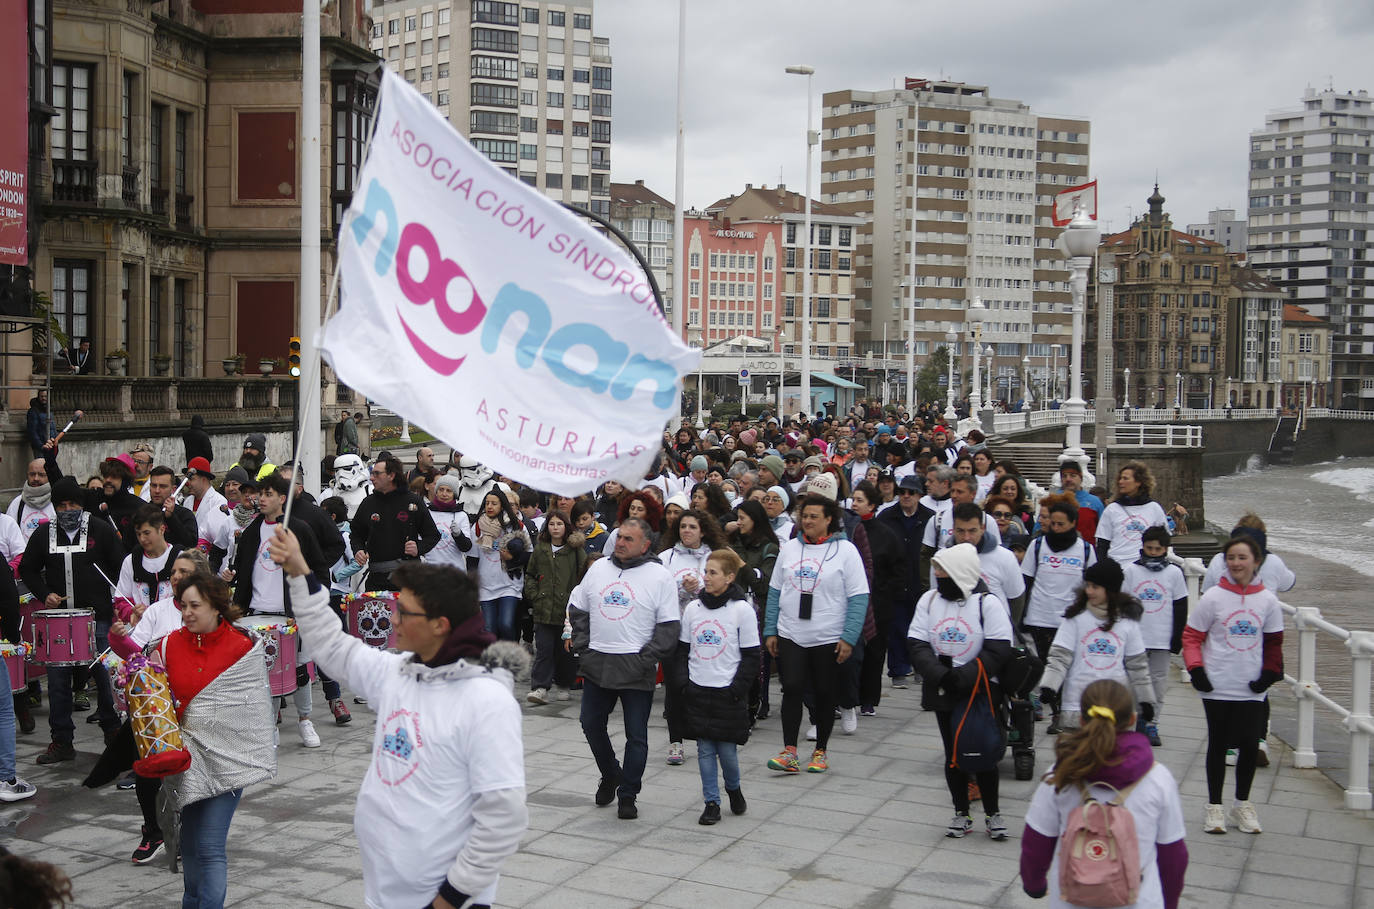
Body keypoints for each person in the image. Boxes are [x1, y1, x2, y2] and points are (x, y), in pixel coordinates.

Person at [270, 525, 528, 909]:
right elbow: (331, 645)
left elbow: (503, 816)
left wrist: (450, 898)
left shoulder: (487, 701)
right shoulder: (398, 673)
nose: (392, 619)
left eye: (404, 612)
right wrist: (297, 571)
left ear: (440, 625)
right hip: (385, 891)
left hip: (444, 899)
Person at [157, 572, 275, 909]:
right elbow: (153, 694)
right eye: (183, 605)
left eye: (195, 605)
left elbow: (253, 711)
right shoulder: (169, 644)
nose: (187, 612)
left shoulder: (242, 648)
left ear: (216, 607)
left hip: (228, 760)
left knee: (209, 847)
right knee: (190, 845)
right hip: (187, 761)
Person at [1020, 679, 1189, 909]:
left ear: (1081, 720)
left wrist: (1034, 884)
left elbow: (1036, 840)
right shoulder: (1158, 779)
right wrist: (1169, 903)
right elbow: (1173, 856)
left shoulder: (1061, 773)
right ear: (1132, 719)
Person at [568, 518, 680, 820]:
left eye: (629, 539)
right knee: (591, 724)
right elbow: (578, 606)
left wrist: (648, 657)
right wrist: (583, 644)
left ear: (645, 544)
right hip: (598, 662)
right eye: (619, 537)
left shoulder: (659, 576)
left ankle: (628, 793)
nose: (620, 542)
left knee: (636, 736)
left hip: (635, 665)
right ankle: (611, 773)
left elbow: (669, 626)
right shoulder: (600, 568)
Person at [107, 549, 210, 863]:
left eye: (183, 571)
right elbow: (133, 653)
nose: (176, 577)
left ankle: (188, 833)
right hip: (156, 705)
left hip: (196, 704)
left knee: (192, 774)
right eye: (174, 572)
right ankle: (154, 831)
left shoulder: (212, 611)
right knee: (148, 772)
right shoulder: (157, 610)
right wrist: (118, 639)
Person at [907, 543, 1013, 839]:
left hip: (979, 690)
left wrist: (965, 676)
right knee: (953, 752)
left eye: (942, 570)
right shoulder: (929, 600)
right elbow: (917, 642)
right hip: (943, 689)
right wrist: (940, 674)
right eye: (936, 569)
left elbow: (998, 648)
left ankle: (993, 813)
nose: (937, 575)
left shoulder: (987, 603)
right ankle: (961, 812)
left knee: (984, 751)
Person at [1182, 535, 1283, 835]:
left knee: (1251, 745)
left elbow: (1274, 643)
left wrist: (1270, 673)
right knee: (1219, 743)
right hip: (1216, 684)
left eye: (1242, 558)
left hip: (1252, 687)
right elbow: (1191, 637)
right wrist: (1196, 669)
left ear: (1256, 562)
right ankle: (1214, 807)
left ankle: (1242, 805)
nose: (1236, 563)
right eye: (1231, 558)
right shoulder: (1213, 597)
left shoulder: (1268, 601)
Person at [21, 476, 125, 764]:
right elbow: (29, 569)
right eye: (62, 505)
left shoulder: (100, 530)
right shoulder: (43, 534)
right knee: (57, 683)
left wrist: (116, 605)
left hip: (98, 618)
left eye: (73, 504)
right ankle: (62, 740)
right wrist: (45, 594)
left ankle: (113, 733)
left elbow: (120, 569)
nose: (68, 509)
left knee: (105, 679)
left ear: (82, 504)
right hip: (58, 620)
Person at [763, 494, 869, 774]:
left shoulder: (846, 552)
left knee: (824, 692)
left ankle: (820, 750)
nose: (807, 521)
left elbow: (859, 597)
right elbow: (775, 592)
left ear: (829, 520)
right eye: (804, 516)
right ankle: (790, 751)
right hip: (791, 633)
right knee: (793, 688)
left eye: (813, 517)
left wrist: (849, 636)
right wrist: (770, 629)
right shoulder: (790, 549)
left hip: (828, 635)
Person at [229, 471, 328, 748]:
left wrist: (311, 601)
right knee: (266, 672)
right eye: (260, 494)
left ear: (282, 498)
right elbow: (244, 575)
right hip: (258, 614)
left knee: (299, 668)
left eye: (268, 494)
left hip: (291, 615)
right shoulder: (250, 533)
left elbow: (320, 570)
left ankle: (305, 720)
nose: (260, 499)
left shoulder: (299, 530)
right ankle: (269, 725)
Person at [674, 548, 760, 826]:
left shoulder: (741, 610)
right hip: (699, 688)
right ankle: (711, 801)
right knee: (704, 750)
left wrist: (738, 689)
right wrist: (684, 683)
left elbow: (751, 656)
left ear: (730, 577)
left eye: (713, 573)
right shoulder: (693, 609)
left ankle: (733, 788)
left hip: (728, 691)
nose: (707, 578)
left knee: (727, 752)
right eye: (706, 572)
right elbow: (682, 651)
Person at [1038, 560, 1156, 734]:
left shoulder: (1127, 622)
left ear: (1110, 589)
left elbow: (1137, 664)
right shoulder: (1075, 618)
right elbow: (1060, 657)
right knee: (1079, 756)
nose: (1089, 591)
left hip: (1114, 699)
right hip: (1079, 699)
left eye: (1095, 587)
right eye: (1088, 585)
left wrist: (1145, 699)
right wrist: (1050, 685)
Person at [1123, 526, 1190, 747]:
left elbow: (1180, 606)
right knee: (1134, 682)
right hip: (1136, 638)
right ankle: (1133, 720)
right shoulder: (1131, 571)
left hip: (1162, 637)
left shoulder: (1174, 573)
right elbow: (1122, 605)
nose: (1152, 552)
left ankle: (1152, 722)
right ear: (1142, 546)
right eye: (1149, 548)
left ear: (1165, 549)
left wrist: (1177, 637)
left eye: (1157, 549)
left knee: (1158, 683)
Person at [351, 455, 441, 592]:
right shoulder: (368, 503)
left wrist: (419, 547)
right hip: (377, 579)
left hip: (408, 579)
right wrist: (358, 550)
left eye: (377, 473)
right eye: (371, 473)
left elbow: (433, 535)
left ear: (391, 476)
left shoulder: (413, 501)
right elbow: (356, 534)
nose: (371, 478)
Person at [851, 479, 902, 717]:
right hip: (851, 599)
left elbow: (896, 570)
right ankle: (848, 695)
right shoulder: (847, 529)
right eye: (853, 499)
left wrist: (882, 591)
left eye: (860, 500)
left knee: (874, 650)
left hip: (878, 601)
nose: (854, 504)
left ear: (871, 505)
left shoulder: (885, 534)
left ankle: (869, 698)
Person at [524, 510, 586, 705]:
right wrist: (534, 595)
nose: (556, 527)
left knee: (565, 651)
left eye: (559, 524)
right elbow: (531, 575)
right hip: (543, 609)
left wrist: (575, 600)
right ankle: (540, 687)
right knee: (543, 648)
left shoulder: (575, 550)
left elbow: (584, 576)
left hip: (567, 611)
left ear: (566, 526)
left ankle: (564, 684)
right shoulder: (541, 549)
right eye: (552, 524)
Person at [472, 489, 531, 642]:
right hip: (486, 585)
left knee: (505, 624)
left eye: (494, 503)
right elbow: (472, 560)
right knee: (489, 628)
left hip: (509, 584)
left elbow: (529, 554)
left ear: (502, 506)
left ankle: (510, 656)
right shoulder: (478, 527)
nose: (489, 506)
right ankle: (493, 660)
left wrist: (511, 558)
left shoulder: (517, 526)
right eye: (487, 503)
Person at [1096, 462, 1168, 566]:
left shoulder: (1154, 508)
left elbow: (1164, 540)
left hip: (1144, 567)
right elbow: (1103, 544)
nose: (1120, 482)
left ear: (1138, 482)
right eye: (1120, 478)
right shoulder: (1112, 509)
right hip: (1117, 567)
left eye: (1125, 479)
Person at [144, 465, 198, 549]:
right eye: (154, 485)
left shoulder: (185, 514)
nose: (157, 491)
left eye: (163, 486)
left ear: (173, 489)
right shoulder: (142, 512)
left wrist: (171, 518)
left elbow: (191, 543)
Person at [8, 449, 56, 541]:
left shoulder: (58, 502)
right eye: (32, 474)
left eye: (41, 475)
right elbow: (8, 534)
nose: (36, 478)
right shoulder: (17, 503)